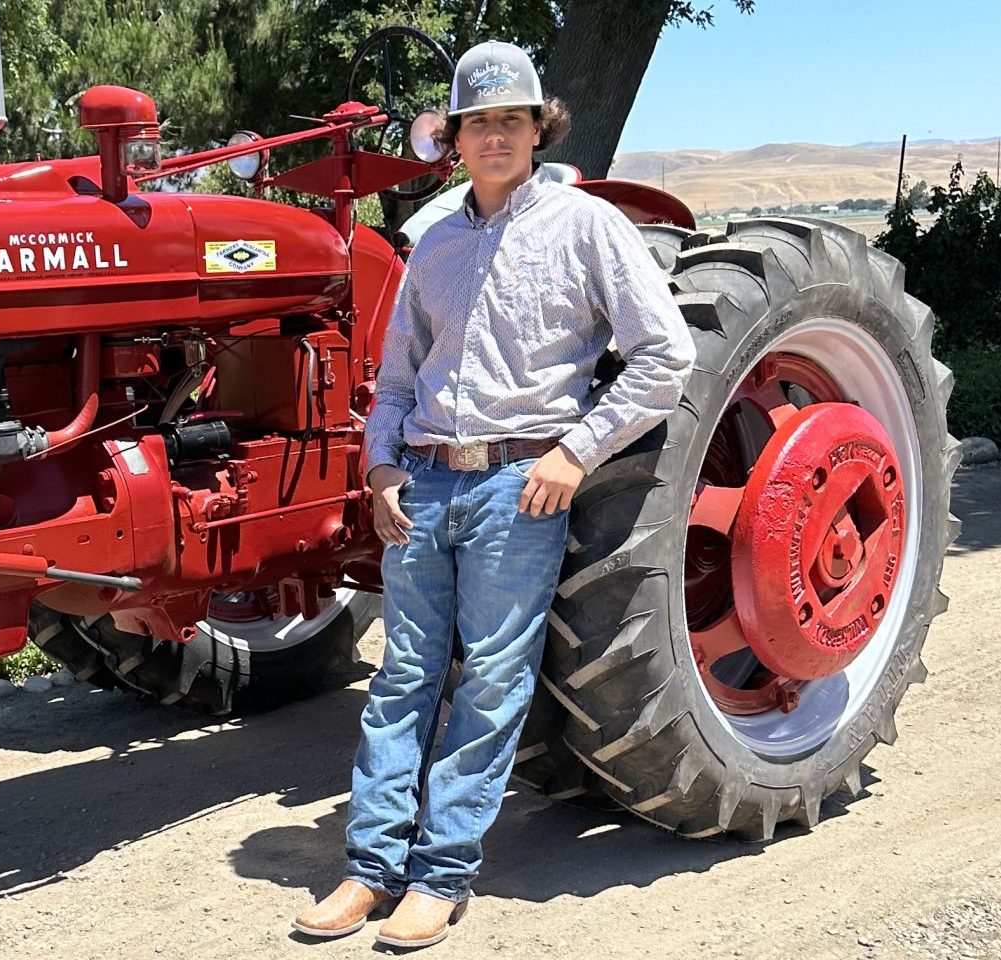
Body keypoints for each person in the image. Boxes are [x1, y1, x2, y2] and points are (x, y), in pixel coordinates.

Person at [290, 40, 696, 949]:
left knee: (491, 681)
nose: (495, 136)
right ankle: (369, 868)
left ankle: (440, 876)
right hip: (424, 483)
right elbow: (394, 382)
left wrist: (576, 453)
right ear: (458, 137)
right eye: (478, 122)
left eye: (511, 119)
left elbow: (667, 356)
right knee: (401, 677)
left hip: (521, 485)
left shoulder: (586, 227)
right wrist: (381, 466)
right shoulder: (434, 242)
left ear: (537, 127)